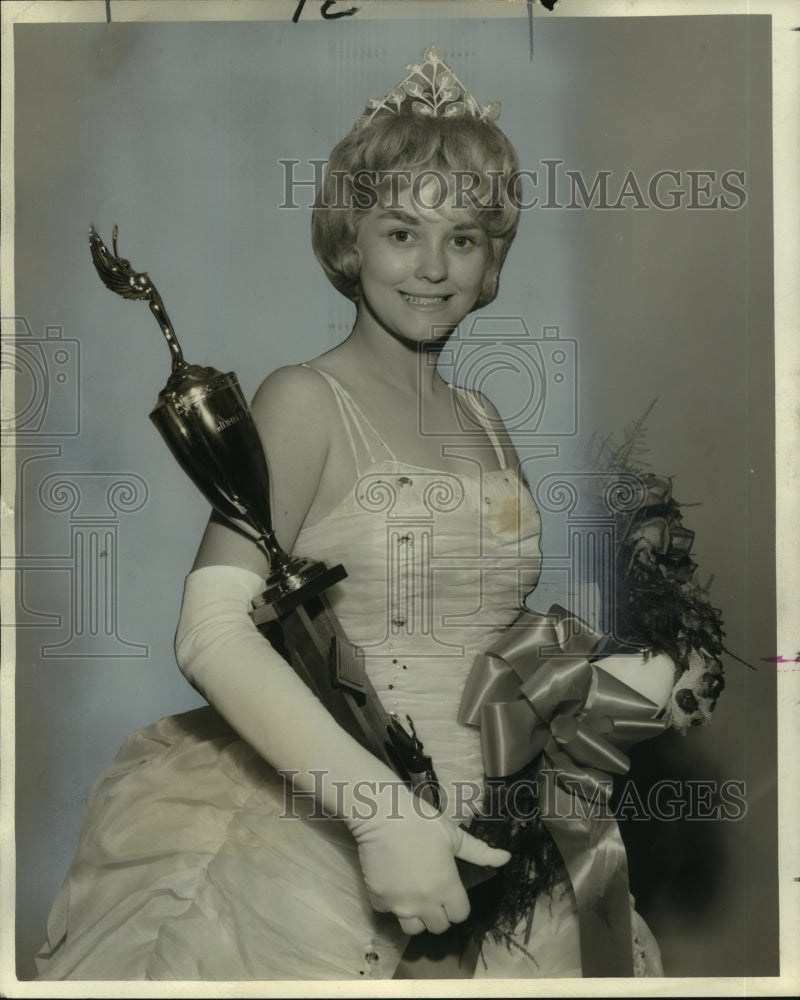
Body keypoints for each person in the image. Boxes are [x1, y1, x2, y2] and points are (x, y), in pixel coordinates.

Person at [35, 46, 674, 981]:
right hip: (327, 830)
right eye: (401, 231)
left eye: (463, 238)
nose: (433, 267)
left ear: (493, 258)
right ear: (350, 240)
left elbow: (482, 628)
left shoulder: (485, 417)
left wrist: (603, 673)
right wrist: (380, 815)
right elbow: (210, 631)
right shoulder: (302, 398)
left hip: (502, 829)